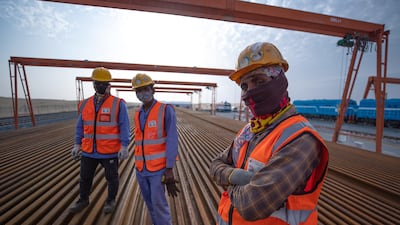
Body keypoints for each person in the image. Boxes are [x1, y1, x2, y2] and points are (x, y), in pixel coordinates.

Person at [209, 42, 329, 225]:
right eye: (244, 86)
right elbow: (215, 165)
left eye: (259, 81)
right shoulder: (249, 130)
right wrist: (237, 177)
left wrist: (226, 178)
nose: (251, 92)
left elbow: (252, 205)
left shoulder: (301, 138)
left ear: (280, 81)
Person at [69, 67, 131, 214]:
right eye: (98, 83)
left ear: (109, 85)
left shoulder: (118, 104)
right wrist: (77, 144)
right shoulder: (85, 104)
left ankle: (111, 201)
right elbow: (80, 126)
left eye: (104, 83)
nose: (101, 86)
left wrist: (124, 146)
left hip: (109, 151)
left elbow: (124, 126)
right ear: (94, 84)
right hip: (89, 151)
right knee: (85, 178)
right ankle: (83, 200)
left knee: (112, 178)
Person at [132, 73, 180, 225]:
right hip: (141, 169)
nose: (142, 94)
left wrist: (169, 169)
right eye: (138, 91)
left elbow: (172, 139)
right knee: (150, 205)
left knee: (159, 206)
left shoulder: (165, 110)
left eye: (145, 89)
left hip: (158, 170)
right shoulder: (138, 113)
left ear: (153, 90)